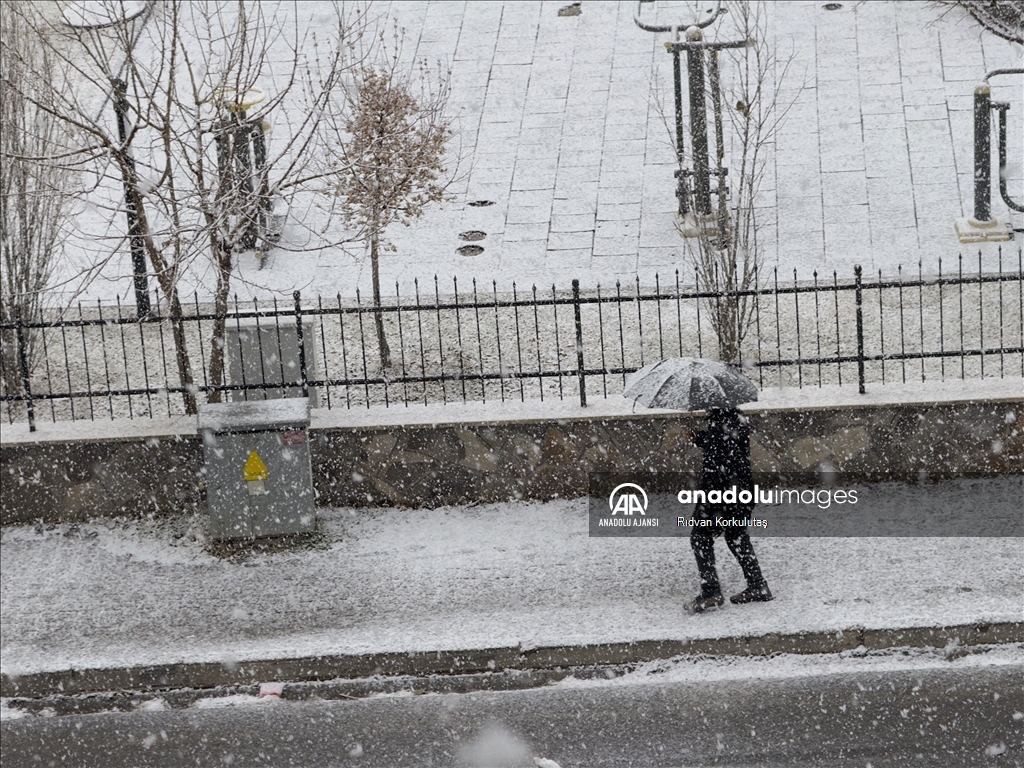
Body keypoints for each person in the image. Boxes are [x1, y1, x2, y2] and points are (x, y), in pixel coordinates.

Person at [685, 407, 773, 613]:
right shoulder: (731, 420)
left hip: (722, 493)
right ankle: (757, 585)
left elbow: (723, 457)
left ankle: (711, 592)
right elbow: (721, 447)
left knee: (700, 535)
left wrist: (718, 502)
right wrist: (698, 437)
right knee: (735, 534)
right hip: (739, 492)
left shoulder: (725, 423)